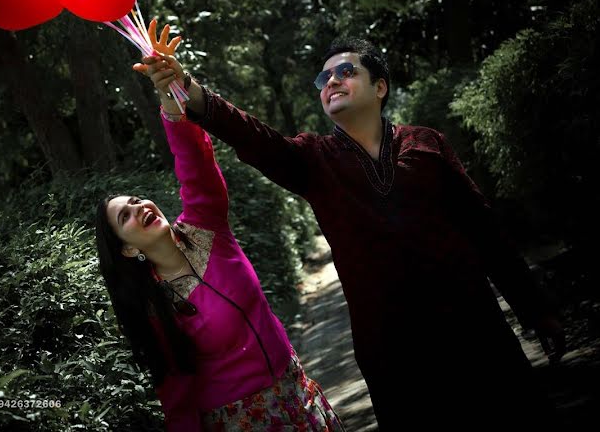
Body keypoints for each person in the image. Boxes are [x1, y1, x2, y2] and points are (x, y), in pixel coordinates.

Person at [137, 29, 566, 429]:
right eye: (323, 78)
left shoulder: (426, 143)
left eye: (346, 71)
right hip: (393, 355)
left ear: (380, 87)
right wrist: (185, 88)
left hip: (476, 332)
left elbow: (483, 227)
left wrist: (536, 310)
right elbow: (253, 136)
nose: (331, 82)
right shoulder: (313, 160)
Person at [95, 21, 345, 431]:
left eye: (137, 200)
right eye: (125, 216)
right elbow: (176, 394)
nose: (139, 208)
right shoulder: (155, 307)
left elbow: (194, 166)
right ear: (127, 248)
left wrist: (170, 91)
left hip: (297, 393)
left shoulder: (205, 227)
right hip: (244, 422)